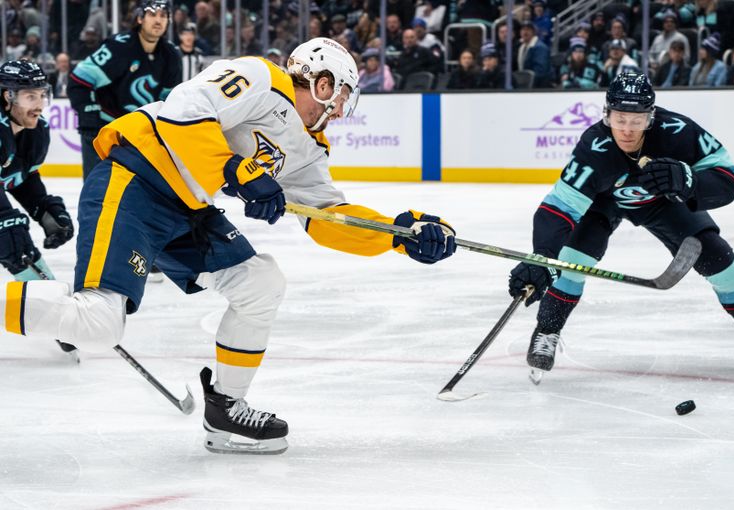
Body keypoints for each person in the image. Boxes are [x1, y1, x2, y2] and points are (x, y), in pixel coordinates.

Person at [0, 38, 457, 454]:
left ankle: (226, 410)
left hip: (187, 209)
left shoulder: (308, 149)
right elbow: (185, 108)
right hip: (136, 179)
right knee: (99, 323)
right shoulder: (262, 77)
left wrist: (401, 234)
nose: (340, 111)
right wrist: (237, 172)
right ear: (321, 82)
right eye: (340, 98)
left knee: (260, 282)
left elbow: (328, 218)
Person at [507, 71, 734, 381]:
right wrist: (542, 256)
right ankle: (547, 331)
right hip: (603, 202)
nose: (627, 130)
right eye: (619, 118)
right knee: (573, 261)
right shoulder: (594, 147)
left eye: (637, 120)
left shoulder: (678, 132)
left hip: (661, 200)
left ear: (651, 117)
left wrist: (688, 181)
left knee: (719, 259)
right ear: (607, 114)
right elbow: (558, 208)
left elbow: (727, 180)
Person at [0, 60, 76, 357]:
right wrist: (8, 222)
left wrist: (43, 209)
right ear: (8, 96)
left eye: (42, 95)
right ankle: (59, 319)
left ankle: (59, 319)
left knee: (18, 248)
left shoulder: (35, 131)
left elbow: (22, 177)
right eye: (31, 97)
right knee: (13, 242)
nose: (40, 104)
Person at [68, 0, 181, 180]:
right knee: (97, 187)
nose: (158, 20)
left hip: (138, 133)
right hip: (105, 128)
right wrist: (87, 112)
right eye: (152, 14)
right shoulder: (119, 47)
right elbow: (79, 79)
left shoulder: (171, 56)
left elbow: (168, 100)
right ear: (140, 19)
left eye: (163, 15)